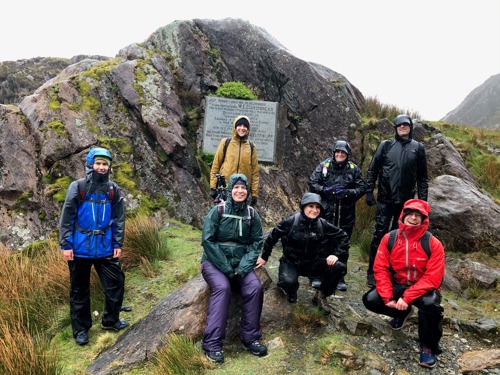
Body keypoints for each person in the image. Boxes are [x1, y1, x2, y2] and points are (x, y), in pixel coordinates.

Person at [362, 199, 444, 369]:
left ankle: (427, 345)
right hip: (398, 283)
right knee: (370, 299)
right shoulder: (389, 238)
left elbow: (432, 278)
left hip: (423, 288)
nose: (413, 218)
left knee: (431, 306)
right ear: (403, 215)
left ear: (424, 219)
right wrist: (387, 296)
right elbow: (381, 268)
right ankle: (401, 313)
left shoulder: (433, 243)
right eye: (410, 214)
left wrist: (407, 297)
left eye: (418, 215)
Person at [59, 147, 128, 346]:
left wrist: (117, 242)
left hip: (106, 247)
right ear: (90, 164)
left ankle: (111, 320)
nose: (101, 167)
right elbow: (67, 217)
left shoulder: (113, 189)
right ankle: (81, 330)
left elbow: (118, 218)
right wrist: (66, 244)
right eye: (98, 163)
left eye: (105, 164)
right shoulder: (78, 187)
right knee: (79, 291)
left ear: (109, 167)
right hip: (79, 248)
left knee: (116, 284)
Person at [201, 173, 267, 363]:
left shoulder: (252, 215)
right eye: (236, 188)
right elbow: (207, 240)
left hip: (241, 264)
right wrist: (227, 268)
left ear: (247, 192)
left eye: (243, 188)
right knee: (223, 288)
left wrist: (244, 266)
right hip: (214, 262)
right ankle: (212, 345)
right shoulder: (218, 211)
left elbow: (256, 243)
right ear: (230, 190)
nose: (240, 191)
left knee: (255, 288)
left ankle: (250, 338)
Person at [255, 192, 349, 315]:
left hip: (313, 263)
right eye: (311, 206)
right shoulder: (292, 221)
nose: (314, 210)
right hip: (291, 262)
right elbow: (273, 236)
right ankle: (292, 291)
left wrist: (336, 254)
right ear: (303, 206)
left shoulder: (323, 224)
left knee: (339, 267)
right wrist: (264, 257)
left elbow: (343, 237)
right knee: (287, 282)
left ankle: (321, 295)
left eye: (317, 207)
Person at [365, 114, 429, 287]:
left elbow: (423, 179)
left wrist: (422, 203)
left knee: (399, 239)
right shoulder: (385, 145)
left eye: (406, 124)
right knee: (380, 235)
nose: (402, 127)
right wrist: (369, 192)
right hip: (385, 200)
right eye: (399, 125)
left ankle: (393, 274)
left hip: (406, 205)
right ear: (395, 127)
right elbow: (372, 170)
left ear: (410, 127)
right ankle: (372, 272)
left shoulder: (418, 148)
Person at [309, 140, 366, 291]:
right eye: (337, 152)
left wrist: (348, 193)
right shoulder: (324, 166)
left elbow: (362, 187)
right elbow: (312, 183)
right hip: (326, 212)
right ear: (333, 153)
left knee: (343, 244)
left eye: (343, 152)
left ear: (348, 155)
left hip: (345, 214)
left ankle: (339, 276)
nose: (340, 154)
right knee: (321, 242)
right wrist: (325, 190)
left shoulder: (354, 169)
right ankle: (317, 275)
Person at [209, 115, 259, 206]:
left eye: (245, 126)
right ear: (235, 127)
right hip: (225, 188)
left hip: (242, 191)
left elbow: (255, 173)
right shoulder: (225, 142)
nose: (242, 128)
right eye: (239, 125)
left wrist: (254, 194)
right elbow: (216, 165)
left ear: (248, 129)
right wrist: (213, 187)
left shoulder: (252, 147)